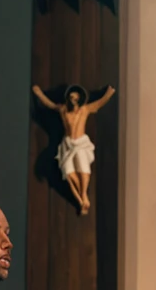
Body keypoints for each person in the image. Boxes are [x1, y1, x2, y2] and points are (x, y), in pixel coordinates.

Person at [32, 82, 115, 215]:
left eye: (75, 98)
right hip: (68, 143)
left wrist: (108, 94)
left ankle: (83, 197)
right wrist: (39, 94)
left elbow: (99, 104)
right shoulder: (63, 110)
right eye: (71, 98)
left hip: (80, 143)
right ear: (68, 99)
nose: (73, 100)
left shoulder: (85, 110)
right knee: (69, 173)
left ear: (79, 99)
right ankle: (81, 200)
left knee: (83, 170)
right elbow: (50, 105)